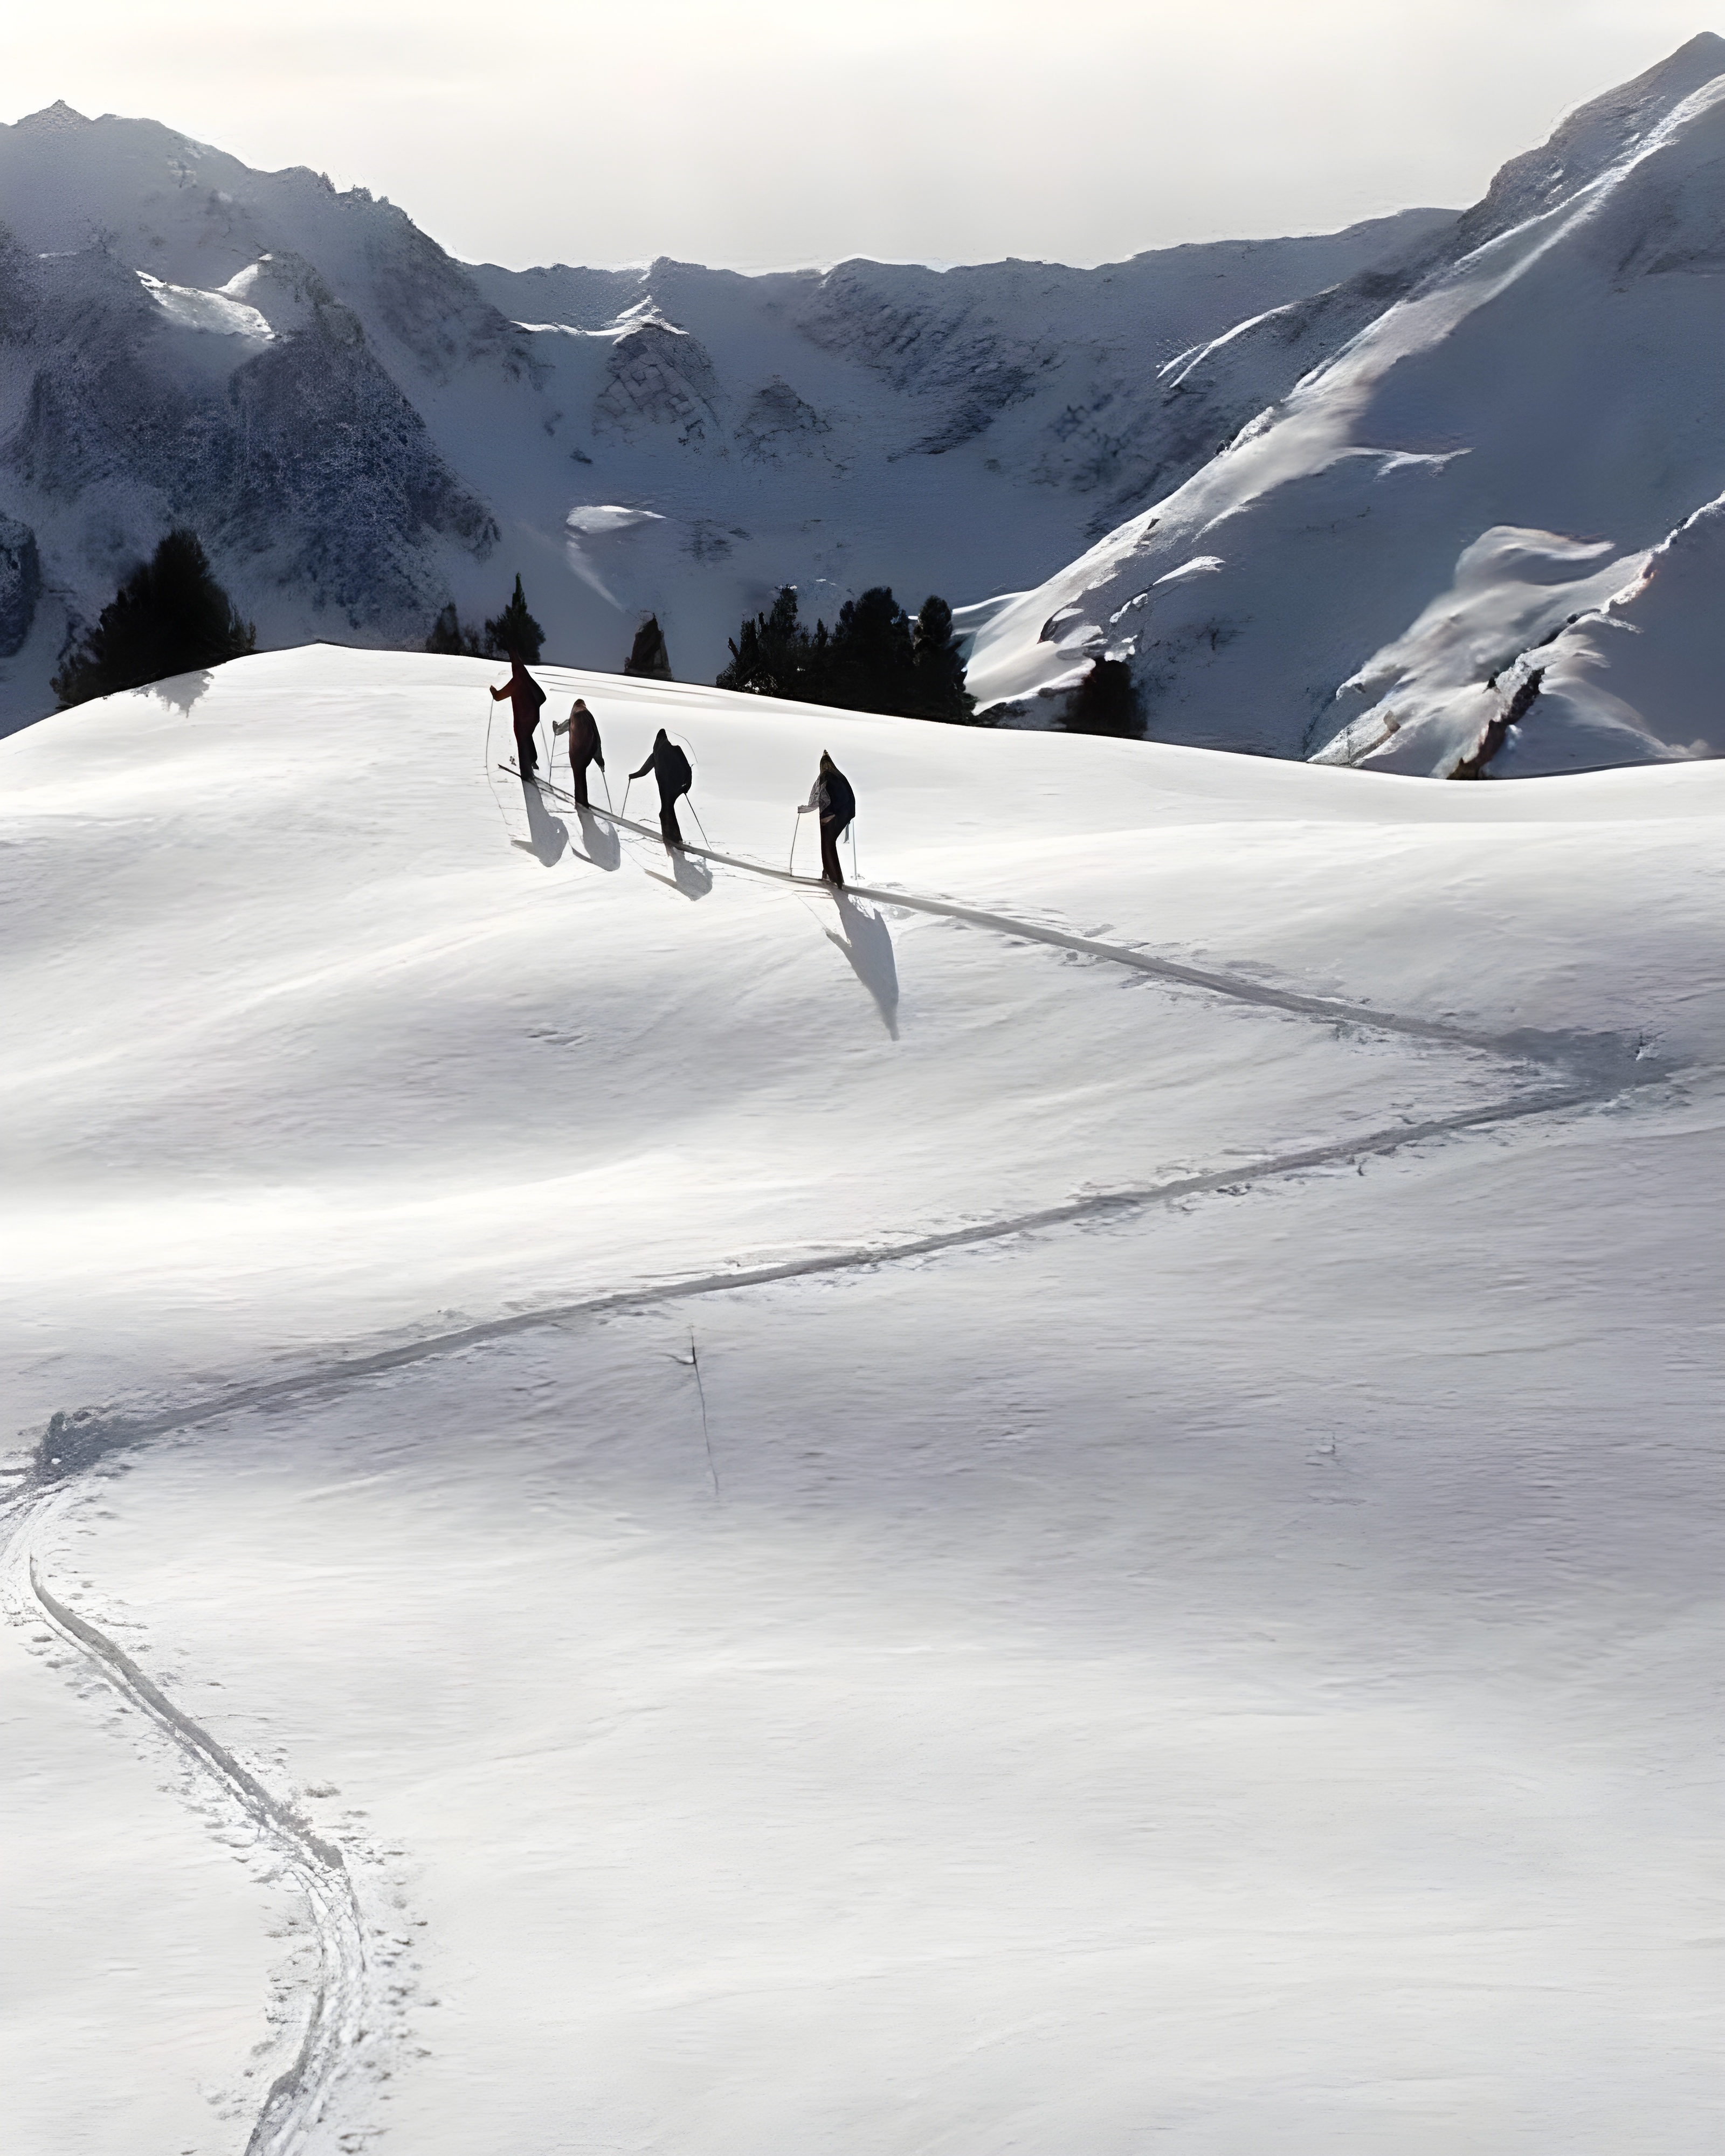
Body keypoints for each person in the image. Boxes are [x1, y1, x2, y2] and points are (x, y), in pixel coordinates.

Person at [798, 750, 856, 886]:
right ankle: (830, 873)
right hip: (844, 815)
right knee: (830, 844)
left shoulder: (826, 776)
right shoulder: (840, 776)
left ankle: (834, 877)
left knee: (827, 845)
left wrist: (807, 809)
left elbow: (819, 798)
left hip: (830, 815)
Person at [629, 728, 694, 849]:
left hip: (666, 788)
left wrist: (633, 776)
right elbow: (687, 769)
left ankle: (670, 838)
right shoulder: (675, 750)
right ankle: (674, 838)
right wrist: (687, 785)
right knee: (667, 810)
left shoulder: (657, 753)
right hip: (676, 787)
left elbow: (644, 770)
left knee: (666, 811)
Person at [490, 651, 548, 779]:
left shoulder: (516, 682)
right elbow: (543, 697)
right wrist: (534, 707)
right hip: (534, 718)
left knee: (522, 740)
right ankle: (533, 760)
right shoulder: (528, 680)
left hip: (522, 719)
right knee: (527, 737)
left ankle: (526, 773)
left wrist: (493, 691)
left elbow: (498, 697)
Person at [554, 696, 604, 807]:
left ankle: (580, 802)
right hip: (588, 753)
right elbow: (597, 737)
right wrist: (600, 760)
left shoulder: (573, 716)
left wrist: (556, 728)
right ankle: (582, 802)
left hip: (576, 753)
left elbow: (559, 731)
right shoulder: (588, 715)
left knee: (578, 774)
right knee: (582, 772)